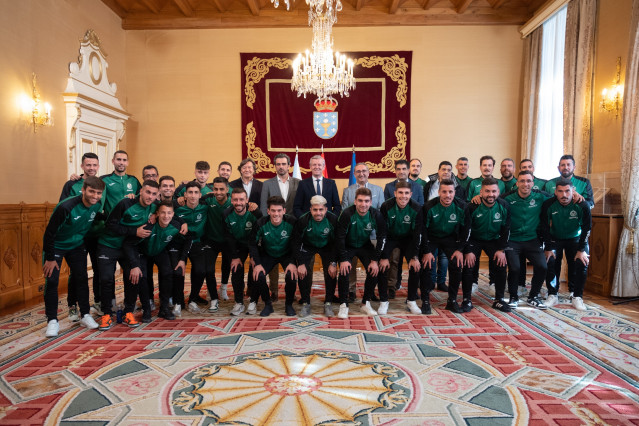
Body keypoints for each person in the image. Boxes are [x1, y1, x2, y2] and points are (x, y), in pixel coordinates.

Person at [43, 176, 105, 337]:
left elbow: (95, 217)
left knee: (81, 278)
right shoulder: (66, 207)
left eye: (99, 193)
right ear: (83, 190)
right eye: (92, 191)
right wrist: (50, 258)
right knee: (52, 281)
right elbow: (49, 234)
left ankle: (85, 314)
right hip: (56, 246)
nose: (95, 196)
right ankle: (52, 321)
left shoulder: (96, 205)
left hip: (76, 245)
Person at [96, 180, 160, 330]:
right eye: (147, 192)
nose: (150, 196)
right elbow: (110, 225)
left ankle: (128, 312)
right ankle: (106, 314)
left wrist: (156, 215)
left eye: (153, 194)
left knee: (134, 275)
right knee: (106, 279)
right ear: (141, 191)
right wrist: (134, 231)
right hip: (108, 245)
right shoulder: (126, 203)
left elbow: (170, 206)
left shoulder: (155, 206)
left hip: (129, 247)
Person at [122, 200, 190, 321]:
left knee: (167, 273)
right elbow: (128, 244)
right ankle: (146, 309)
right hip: (143, 253)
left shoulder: (175, 225)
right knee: (142, 277)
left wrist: (182, 259)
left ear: (173, 214)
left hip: (159, 252)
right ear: (157, 213)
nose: (166, 216)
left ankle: (164, 308)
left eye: (169, 213)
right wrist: (134, 264)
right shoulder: (148, 226)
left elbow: (189, 239)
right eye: (163, 213)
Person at [543, 154, 594, 298]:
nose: (565, 167)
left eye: (568, 164)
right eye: (562, 165)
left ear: (574, 167)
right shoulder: (549, 183)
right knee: (552, 262)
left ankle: (574, 293)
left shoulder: (584, 183)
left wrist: (575, 198)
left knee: (577, 262)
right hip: (555, 232)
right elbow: (545, 203)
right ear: (558, 167)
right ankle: (552, 293)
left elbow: (591, 204)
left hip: (575, 234)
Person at [58, 152, 101, 322]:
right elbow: (63, 207)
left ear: (98, 167)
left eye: (94, 165)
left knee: (99, 269)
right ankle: (72, 306)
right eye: (88, 165)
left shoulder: (101, 184)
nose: (91, 168)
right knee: (77, 273)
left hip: (97, 234)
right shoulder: (72, 184)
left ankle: (97, 302)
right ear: (82, 166)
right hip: (77, 237)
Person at [503, 171, 552, 309]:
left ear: (533, 183)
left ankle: (533, 296)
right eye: (522, 181)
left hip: (532, 240)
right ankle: (513, 296)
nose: (526, 184)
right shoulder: (507, 199)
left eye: (529, 181)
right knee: (515, 268)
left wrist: (575, 194)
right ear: (517, 183)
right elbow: (492, 199)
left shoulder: (540, 197)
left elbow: (559, 197)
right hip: (512, 240)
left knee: (543, 266)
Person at [462, 178, 511, 312]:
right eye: (487, 191)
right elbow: (465, 231)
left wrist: (501, 249)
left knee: (501, 263)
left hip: (494, 240)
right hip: (474, 239)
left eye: (494, 191)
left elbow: (506, 230)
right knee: (469, 264)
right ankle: (466, 299)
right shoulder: (472, 207)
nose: (491, 194)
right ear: (481, 192)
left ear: (498, 192)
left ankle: (499, 300)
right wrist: (467, 250)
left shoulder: (504, 206)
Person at [336, 188, 387, 317]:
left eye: (366, 201)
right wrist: (343, 259)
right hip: (348, 246)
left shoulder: (376, 215)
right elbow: (339, 237)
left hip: (365, 245)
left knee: (374, 270)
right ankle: (343, 304)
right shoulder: (347, 214)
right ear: (355, 201)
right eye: (360, 201)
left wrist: (375, 261)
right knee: (344, 270)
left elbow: (382, 238)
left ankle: (366, 303)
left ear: (370, 202)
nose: (363, 204)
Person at [420, 179, 467, 314]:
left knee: (456, 264)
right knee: (427, 264)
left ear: (454, 193)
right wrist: (427, 251)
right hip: (431, 238)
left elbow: (466, 230)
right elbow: (422, 231)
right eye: (444, 192)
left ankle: (452, 300)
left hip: (450, 239)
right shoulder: (429, 207)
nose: (447, 195)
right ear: (439, 192)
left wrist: (459, 250)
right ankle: (425, 301)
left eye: (450, 192)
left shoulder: (462, 207)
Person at [341, 162, 384, 302]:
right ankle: (351, 290)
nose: (361, 174)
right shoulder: (348, 190)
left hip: (372, 236)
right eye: (358, 171)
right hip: (352, 235)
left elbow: (380, 212)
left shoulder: (378, 190)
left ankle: (370, 292)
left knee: (374, 265)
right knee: (349, 266)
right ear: (354, 174)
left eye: (364, 171)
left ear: (368, 172)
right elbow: (345, 211)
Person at [260, 153, 300, 301]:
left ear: (289, 165)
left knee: (290, 259)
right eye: (278, 164)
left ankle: (292, 292)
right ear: (275, 166)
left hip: (291, 228)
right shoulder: (267, 184)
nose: (281, 167)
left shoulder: (298, 182)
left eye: (284, 164)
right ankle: (274, 291)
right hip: (272, 227)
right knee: (272, 259)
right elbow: (264, 207)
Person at [249, 196, 298, 317]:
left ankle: (289, 305)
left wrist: (292, 262)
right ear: (268, 211)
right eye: (273, 211)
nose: (276, 214)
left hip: (286, 254)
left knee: (291, 275)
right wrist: (258, 263)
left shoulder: (292, 222)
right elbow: (252, 244)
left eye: (279, 210)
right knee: (258, 274)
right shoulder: (261, 223)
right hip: (268, 253)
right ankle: (268, 305)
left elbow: (296, 244)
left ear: (284, 211)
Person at [379, 181, 423, 314]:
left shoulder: (417, 208)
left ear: (411, 194)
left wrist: (415, 256)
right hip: (390, 238)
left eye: (406, 193)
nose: (403, 196)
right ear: (395, 193)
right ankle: (383, 301)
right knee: (383, 265)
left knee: (415, 267)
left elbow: (417, 234)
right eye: (400, 193)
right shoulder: (386, 206)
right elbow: (382, 233)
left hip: (408, 239)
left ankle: (411, 300)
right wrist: (384, 256)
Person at [293, 195, 338, 317]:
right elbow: (296, 243)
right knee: (303, 272)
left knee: (331, 272)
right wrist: (300, 263)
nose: (318, 213)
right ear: (310, 209)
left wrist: (333, 263)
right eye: (315, 210)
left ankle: (328, 302)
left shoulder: (333, 219)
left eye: (321, 210)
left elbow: (336, 243)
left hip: (327, 247)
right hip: (308, 246)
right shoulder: (303, 220)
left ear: (326, 209)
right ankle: (305, 303)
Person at [224, 187, 263, 316]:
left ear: (247, 200)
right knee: (236, 269)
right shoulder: (226, 214)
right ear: (231, 200)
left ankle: (253, 301)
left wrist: (254, 256)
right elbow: (228, 238)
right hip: (238, 246)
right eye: (235, 200)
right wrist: (234, 256)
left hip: (254, 245)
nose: (238, 202)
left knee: (255, 269)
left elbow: (258, 236)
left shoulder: (256, 213)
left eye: (241, 199)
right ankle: (239, 302)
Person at [173, 181, 209, 317]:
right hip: (179, 244)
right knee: (178, 272)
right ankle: (178, 301)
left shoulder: (205, 208)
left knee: (200, 270)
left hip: (197, 243)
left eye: (196, 193)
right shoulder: (177, 209)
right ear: (185, 195)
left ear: (200, 195)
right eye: (190, 192)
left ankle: (193, 299)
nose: (193, 196)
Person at [196, 177, 232, 313]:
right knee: (209, 270)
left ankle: (223, 288)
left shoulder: (232, 202)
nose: (218, 192)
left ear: (227, 190)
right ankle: (213, 298)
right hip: (211, 240)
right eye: (215, 189)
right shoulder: (207, 200)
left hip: (227, 241)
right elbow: (192, 200)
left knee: (227, 265)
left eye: (221, 189)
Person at [100, 150, 142, 215]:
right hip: (111, 220)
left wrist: (135, 196)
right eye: (119, 159)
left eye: (124, 160)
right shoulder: (104, 180)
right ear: (113, 161)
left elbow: (142, 197)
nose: (121, 162)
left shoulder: (134, 180)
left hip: (130, 220)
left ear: (127, 162)